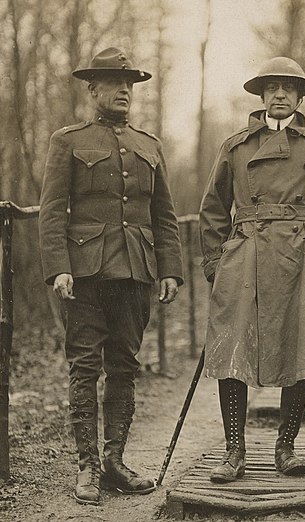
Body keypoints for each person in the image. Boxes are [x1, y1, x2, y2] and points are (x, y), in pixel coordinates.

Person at [39, 47, 183, 505]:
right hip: (85, 274)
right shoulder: (68, 140)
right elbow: (50, 212)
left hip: (136, 271)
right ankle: (87, 467)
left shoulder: (149, 145)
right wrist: (59, 267)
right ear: (92, 89)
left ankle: (115, 462)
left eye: (130, 84)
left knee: (125, 366)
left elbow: (164, 216)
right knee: (85, 366)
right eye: (113, 82)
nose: (124, 91)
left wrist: (170, 271)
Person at [199, 57, 305, 483]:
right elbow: (211, 208)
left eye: (288, 88)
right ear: (261, 96)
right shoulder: (235, 146)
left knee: (301, 346)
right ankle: (234, 451)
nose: (280, 95)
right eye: (272, 88)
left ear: (300, 97)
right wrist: (216, 263)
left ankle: (286, 446)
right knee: (232, 350)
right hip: (244, 256)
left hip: (303, 257)